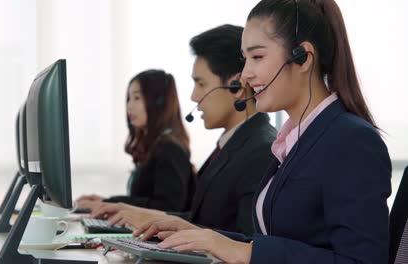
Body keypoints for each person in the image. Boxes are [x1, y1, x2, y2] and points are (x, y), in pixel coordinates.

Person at [134, 1, 392, 263]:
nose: (245, 75)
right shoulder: (294, 140)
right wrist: (203, 235)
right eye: (245, 59)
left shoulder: (351, 141)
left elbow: (362, 261)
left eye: (257, 57)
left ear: (302, 57)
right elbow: (279, 243)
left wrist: (245, 252)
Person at [90, 24, 277, 235]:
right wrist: (144, 215)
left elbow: (250, 244)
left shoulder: (262, 150)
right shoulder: (231, 145)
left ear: (237, 87)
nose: (194, 97)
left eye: (201, 84)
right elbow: (203, 221)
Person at [77, 69, 195, 212]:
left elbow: (168, 207)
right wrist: (106, 202)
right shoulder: (157, 146)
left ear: (159, 102)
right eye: (129, 98)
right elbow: (146, 201)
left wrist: (112, 204)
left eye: (137, 98)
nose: (129, 106)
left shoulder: (169, 149)